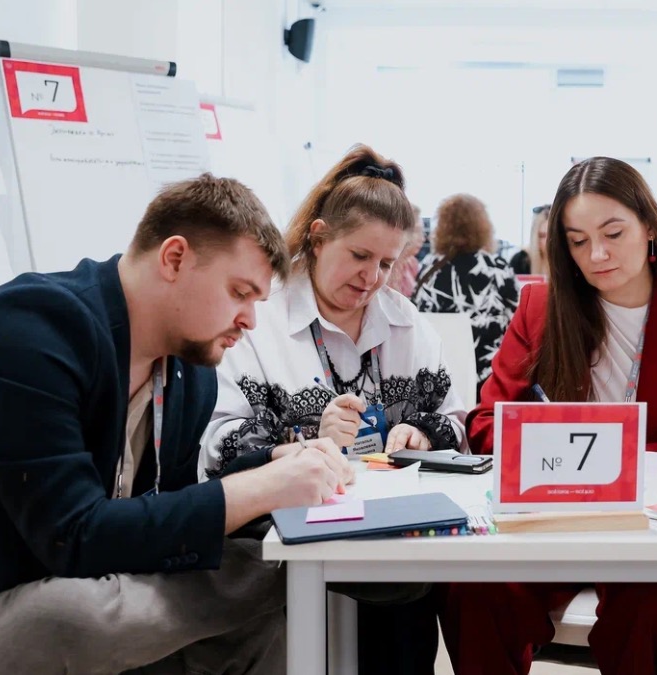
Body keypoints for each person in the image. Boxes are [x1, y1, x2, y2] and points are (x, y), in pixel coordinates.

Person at [0, 174, 355, 675]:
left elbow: (163, 520)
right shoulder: (28, 330)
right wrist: (263, 490)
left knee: (256, 622)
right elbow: (73, 537)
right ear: (174, 258)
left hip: (76, 582)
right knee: (75, 614)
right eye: (239, 292)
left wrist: (269, 464)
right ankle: (278, 576)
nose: (249, 319)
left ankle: (279, 575)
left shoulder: (189, 375)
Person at [439, 157, 657, 675]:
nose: (597, 255)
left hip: (655, 525)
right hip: (547, 517)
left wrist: (617, 457)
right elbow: (487, 423)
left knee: (654, 608)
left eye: (612, 233)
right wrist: (548, 446)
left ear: (649, 226)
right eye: (578, 241)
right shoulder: (540, 309)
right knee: (473, 589)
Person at [201, 145, 467, 675]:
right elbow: (218, 443)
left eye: (387, 263)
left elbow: (455, 423)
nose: (372, 277)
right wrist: (303, 442)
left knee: (402, 597)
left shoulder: (407, 324)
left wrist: (420, 432)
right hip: (283, 526)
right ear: (318, 239)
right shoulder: (262, 318)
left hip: (389, 528)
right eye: (360, 257)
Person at [413, 193, 520, 391]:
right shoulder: (497, 268)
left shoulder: (428, 268)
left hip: (438, 374)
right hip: (489, 377)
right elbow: (516, 321)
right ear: (483, 227)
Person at [387, 203, 426, 297]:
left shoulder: (413, 263)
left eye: (422, 232)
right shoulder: (385, 265)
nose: (422, 238)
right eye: (417, 231)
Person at [509, 204, 549, 275]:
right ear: (535, 237)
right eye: (542, 236)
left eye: (551, 234)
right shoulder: (520, 261)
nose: (548, 240)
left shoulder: (568, 261)